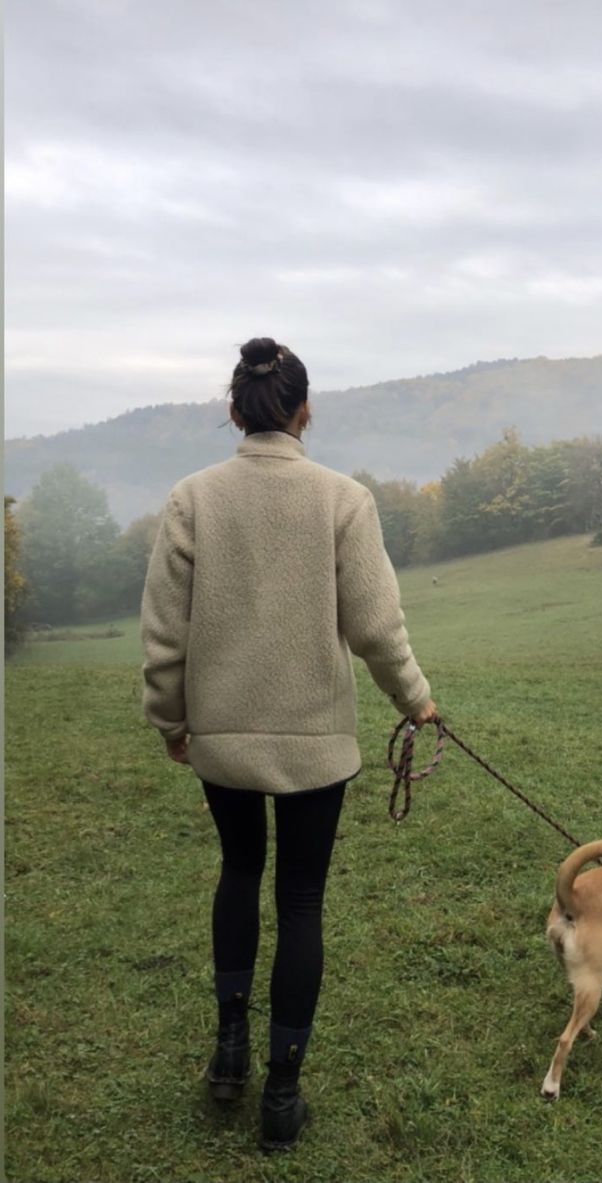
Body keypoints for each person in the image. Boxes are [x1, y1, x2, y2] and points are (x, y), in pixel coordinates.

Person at [141, 336, 436, 1153]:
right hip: (316, 746)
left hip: (222, 741)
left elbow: (164, 633)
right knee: (300, 901)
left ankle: (228, 1051)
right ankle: (281, 1093)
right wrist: (416, 701)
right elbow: (376, 627)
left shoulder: (190, 497)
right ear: (304, 411)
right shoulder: (345, 499)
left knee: (240, 869)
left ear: (234, 411)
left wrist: (172, 722)